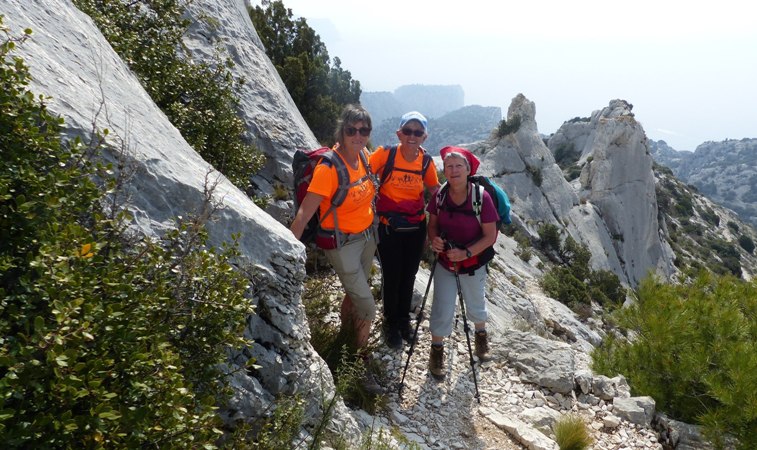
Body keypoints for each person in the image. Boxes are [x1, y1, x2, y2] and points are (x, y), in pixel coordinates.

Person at [289, 104, 383, 394]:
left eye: (364, 130)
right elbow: (304, 213)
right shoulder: (328, 168)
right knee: (367, 306)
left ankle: (346, 337)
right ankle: (358, 361)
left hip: (367, 238)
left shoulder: (364, 156)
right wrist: (288, 250)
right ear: (342, 131)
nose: (358, 135)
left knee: (355, 295)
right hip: (343, 244)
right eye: (351, 129)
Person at [426, 146, 498, 381]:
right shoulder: (440, 196)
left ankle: (481, 337)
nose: (454, 170)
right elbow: (432, 225)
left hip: (473, 263)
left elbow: (490, 236)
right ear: (444, 170)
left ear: (468, 169)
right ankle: (437, 351)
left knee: (475, 302)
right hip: (446, 262)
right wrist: (434, 240)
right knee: (441, 306)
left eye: (459, 166)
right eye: (449, 166)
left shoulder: (481, 198)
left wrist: (466, 253)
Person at [370, 111, 440, 350]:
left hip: (416, 227)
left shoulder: (426, 161)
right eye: (408, 131)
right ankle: (390, 323)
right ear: (399, 133)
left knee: (409, 275)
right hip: (389, 227)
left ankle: (403, 320)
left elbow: (435, 190)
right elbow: (362, 172)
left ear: (424, 137)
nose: (412, 136)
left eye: (418, 132)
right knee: (392, 276)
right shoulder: (386, 154)